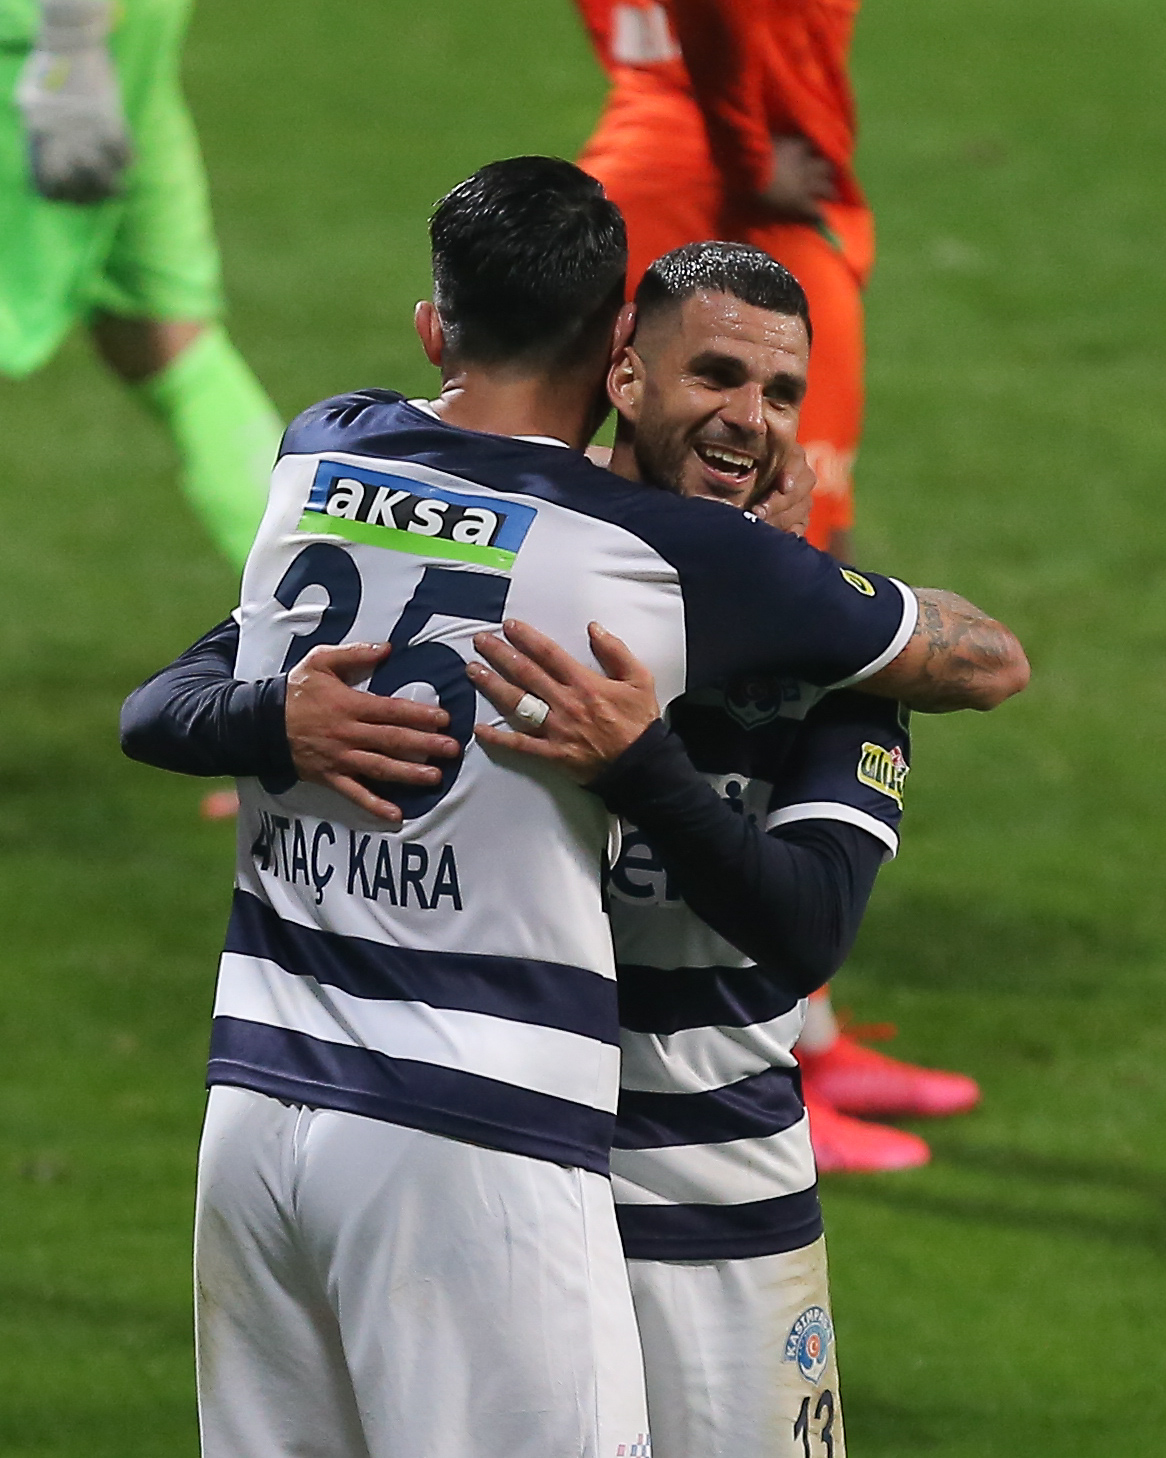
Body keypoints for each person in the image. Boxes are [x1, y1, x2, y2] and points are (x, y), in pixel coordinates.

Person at [121, 160, 1027, 1458]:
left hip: (315, 1114)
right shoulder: (674, 559)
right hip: (487, 1136)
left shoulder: (328, 447)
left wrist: (266, 716)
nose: (748, 420)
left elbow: (163, 701)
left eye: (779, 393)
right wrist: (776, 591)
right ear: (621, 364)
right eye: (714, 376)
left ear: (433, 326)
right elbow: (981, 659)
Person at [575, 0, 982, 1162]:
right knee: (789, 586)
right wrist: (753, 142)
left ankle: (805, 1033)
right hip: (731, 185)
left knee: (758, 567)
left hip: (664, 157)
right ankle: (760, 1045)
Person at [1, 0, 281, 568]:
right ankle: (338, 596)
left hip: (46, 38)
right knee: (166, 338)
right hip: (117, 30)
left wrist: (69, 47)